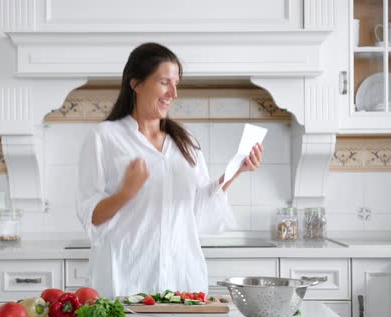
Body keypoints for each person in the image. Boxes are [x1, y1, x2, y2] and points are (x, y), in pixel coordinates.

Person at [76, 42, 263, 299]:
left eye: (176, 84)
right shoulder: (104, 138)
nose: (173, 93)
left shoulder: (184, 140)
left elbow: (195, 210)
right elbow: (92, 217)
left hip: (180, 277)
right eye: (165, 82)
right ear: (136, 83)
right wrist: (126, 193)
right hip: (126, 279)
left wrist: (234, 173)